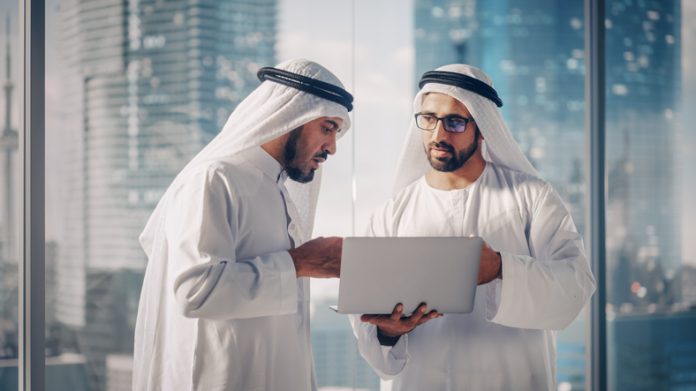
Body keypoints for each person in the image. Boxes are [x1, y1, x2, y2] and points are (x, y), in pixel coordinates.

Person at [351, 64, 596, 390]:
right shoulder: (391, 213)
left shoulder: (531, 197)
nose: (438, 135)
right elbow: (369, 329)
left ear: (483, 128)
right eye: (429, 119)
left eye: (454, 121)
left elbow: (575, 287)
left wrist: (501, 268)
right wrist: (389, 331)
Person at [133, 59, 353, 391]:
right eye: (327, 128)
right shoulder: (214, 179)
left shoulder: (277, 189)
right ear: (290, 117)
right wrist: (301, 262)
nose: (332, 148)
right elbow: (195, 292)